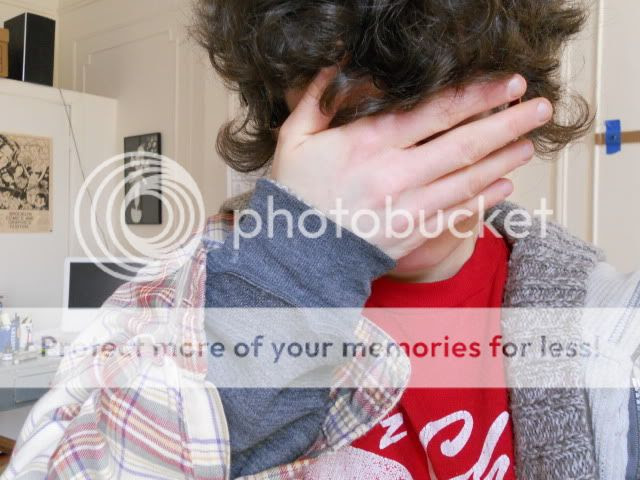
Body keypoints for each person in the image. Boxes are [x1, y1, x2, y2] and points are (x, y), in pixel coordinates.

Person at [4, 1, 640, 479]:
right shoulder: (180, 292)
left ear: (507, 114)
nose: (391, 170)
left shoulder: (607, 322)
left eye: (432, 117)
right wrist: (295, 270)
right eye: (352, 120)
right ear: (285, 126)